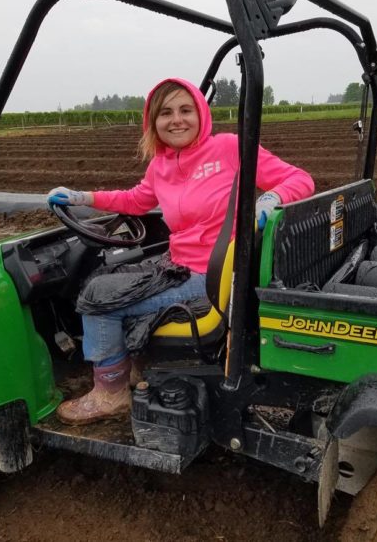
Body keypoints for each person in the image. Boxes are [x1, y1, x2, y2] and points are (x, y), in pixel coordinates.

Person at [47, 77, 314, 425]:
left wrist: (272, 197)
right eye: (166, 113)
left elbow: (300, 179)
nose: (177, 120)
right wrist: (84, 198)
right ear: (153, 122)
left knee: (99, 299)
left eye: (186, 110)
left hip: (212, 274)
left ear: (201, 114)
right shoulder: (160, 164)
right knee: (107, 278)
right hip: (178, 264)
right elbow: (136, 199)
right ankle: (131, 366)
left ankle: (110, 393)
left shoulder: (229, 148)